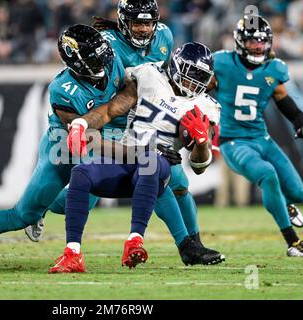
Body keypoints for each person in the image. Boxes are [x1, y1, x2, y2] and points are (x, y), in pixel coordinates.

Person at [26, 0, 217, 259]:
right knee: (89, 195)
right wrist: (86, 119)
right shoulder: (107, 44)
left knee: (178, 183)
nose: (143, 29)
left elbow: (162, 78)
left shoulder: (164, 36)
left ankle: (192, 244)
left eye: (148, 22)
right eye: (137, 22)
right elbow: (87, 75)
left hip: (144, 117)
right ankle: (37, 209)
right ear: (124, 22)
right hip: (111, 120)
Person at [0, 24, 133, 268]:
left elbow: (124, 97)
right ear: (76, 63)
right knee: (23, 215)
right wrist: (128, 152)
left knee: (81, 200)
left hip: (94, 142)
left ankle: (44, 207)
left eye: (103, 57)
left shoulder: (113, 63)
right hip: (61, 148)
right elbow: (85, 136)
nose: (103, 64)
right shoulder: (63, 89)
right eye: (95, 60)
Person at [50, 42, 225, 273]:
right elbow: (112, 109)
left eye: (201, 76)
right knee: (80, 173)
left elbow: (199, 165)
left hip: (159, 162)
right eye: (191, 73)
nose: (194, 81)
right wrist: (82, 123)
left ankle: (135, 242)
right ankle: (72, 253)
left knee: (152, 163)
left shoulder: (206, 105)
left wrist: (202, 142)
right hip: (127, 155)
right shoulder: (149, 74)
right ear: (175, 65)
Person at [210, 14, 303, 256]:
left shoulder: (274, 68)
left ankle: (286, 204)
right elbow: (199, 89)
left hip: (263, 139)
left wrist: (298, 120)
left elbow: (282, 97)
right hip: (233, 141)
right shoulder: (221, 63)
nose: (258, 46)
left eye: (262, 41)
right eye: (252, 41)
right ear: (240, 42)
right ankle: (292, 241)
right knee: (267, 174)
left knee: (298, 192)